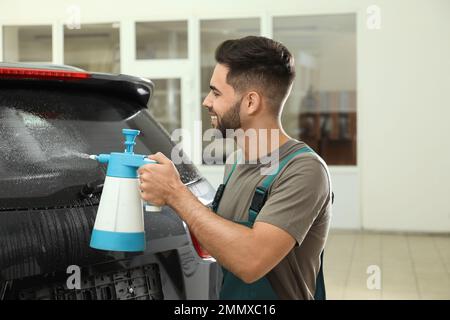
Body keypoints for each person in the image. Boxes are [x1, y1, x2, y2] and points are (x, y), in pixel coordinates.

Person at [138, 36, 332, 300]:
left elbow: (250, 261)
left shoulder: (303, 171)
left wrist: (175, 193)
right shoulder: (236, 164)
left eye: (216, 92)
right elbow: (218, 241)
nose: (207, 101)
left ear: (250, 102)